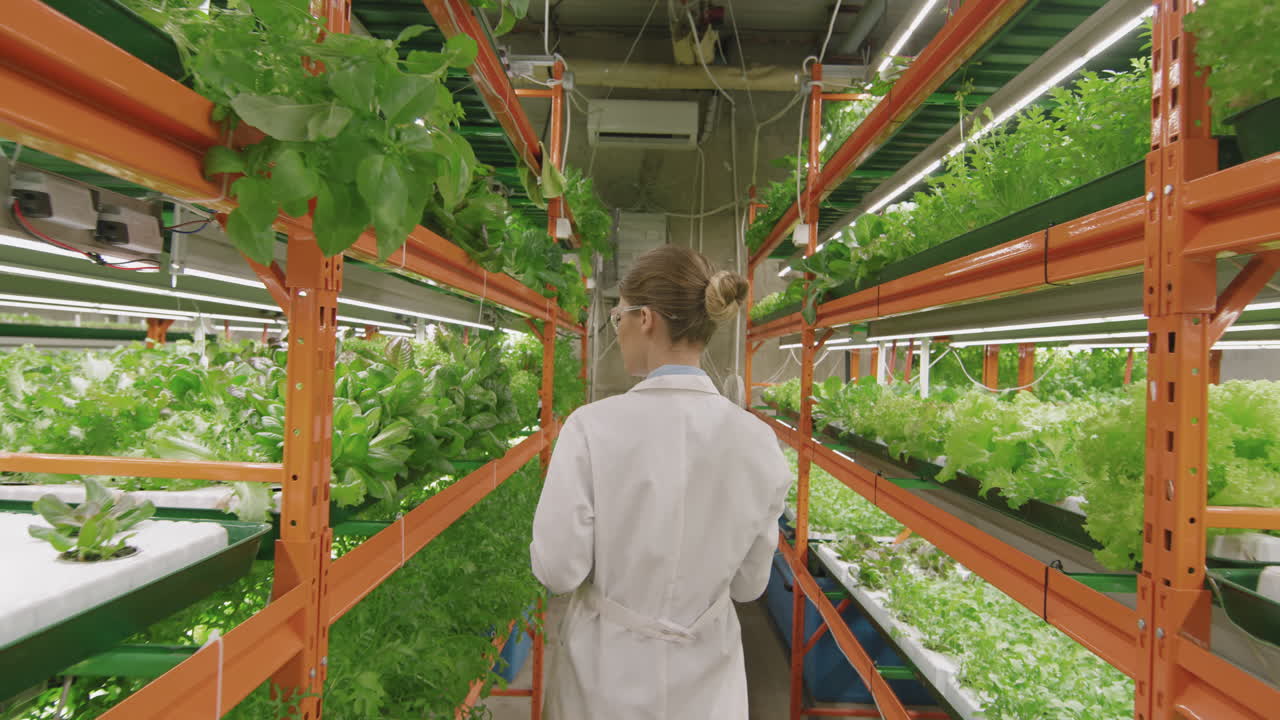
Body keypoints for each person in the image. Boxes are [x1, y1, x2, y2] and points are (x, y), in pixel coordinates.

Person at [530, 245, 792, 720]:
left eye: (618, 318)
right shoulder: (759, 442)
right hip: (709, 677)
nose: (620, 331)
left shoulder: (592, 428)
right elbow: (749, 586)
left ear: (645, 318)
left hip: (607, 675)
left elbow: (558, 570)